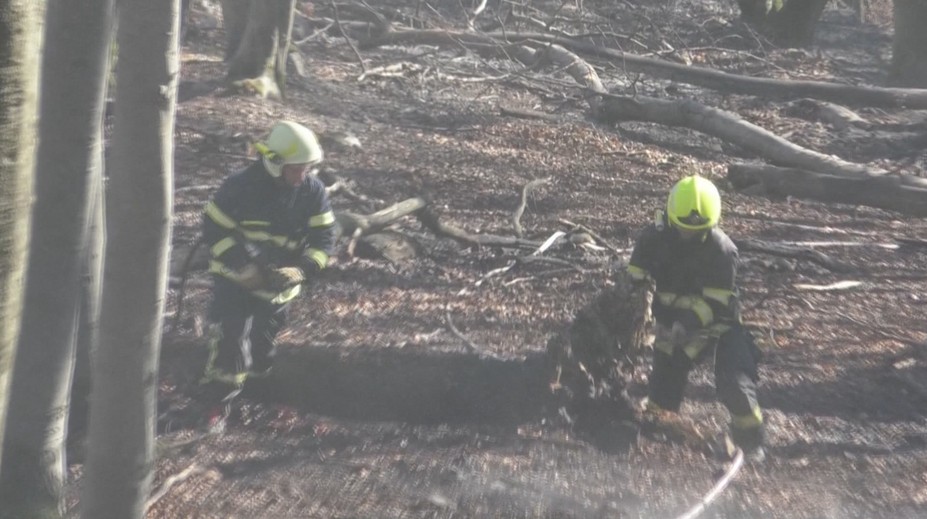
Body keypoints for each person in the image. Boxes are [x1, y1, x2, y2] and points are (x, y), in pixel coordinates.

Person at [627, 175, 765, 460]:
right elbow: (632, 285)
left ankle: (751, 443)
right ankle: (657, 431)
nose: (688, 236)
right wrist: (640, 321)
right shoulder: (651, 240)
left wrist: (686, 323)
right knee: (665, 378)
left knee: (735, 383)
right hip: (667, 324)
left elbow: (715, 303)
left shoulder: (722, 251)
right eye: (682, 228)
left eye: (698, 230)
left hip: (718, 325)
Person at [200, 120, 336, 406]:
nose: (302, 176)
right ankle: (216, 405)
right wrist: (241, 264)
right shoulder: (239, 187)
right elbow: (213, 230)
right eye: (296, 169)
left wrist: (301, 270)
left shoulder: (313, 193)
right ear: (275, 163)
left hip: (277, 290)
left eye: (307, 168)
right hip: (234, 283)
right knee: (231, 344)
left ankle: (256, 402)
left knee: (263, 349)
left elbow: (324, 241)